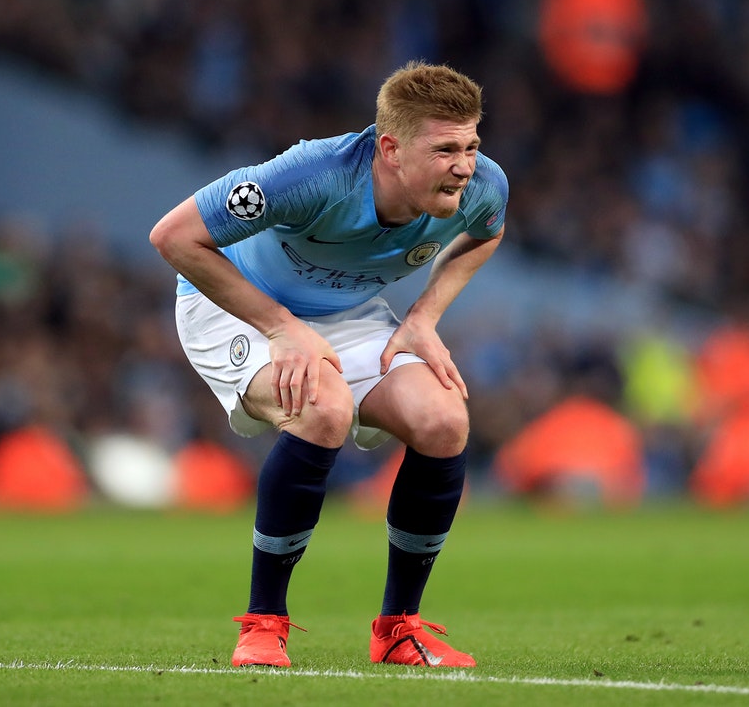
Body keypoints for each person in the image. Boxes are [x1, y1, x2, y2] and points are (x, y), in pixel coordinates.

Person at [149, 62, 508, 668]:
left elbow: (488, 233)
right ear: (390, 149)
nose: (465, 166)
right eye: (445, 150)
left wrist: (424, 316)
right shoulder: (313, 176)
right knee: (323, 408)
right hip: (237, 307)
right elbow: (173, 237)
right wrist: (280, 327)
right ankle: (264, 623)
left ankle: (398, 629)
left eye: (471, 146)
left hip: (347, 312)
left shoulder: (482, 186)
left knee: (444, 420)